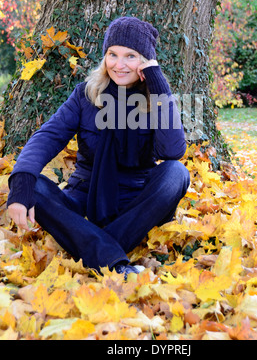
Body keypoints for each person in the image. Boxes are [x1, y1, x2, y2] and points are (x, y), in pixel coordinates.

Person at [7, 16, 190, 278]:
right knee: (30, 182)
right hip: (84, 196)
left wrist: (157, 83)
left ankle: (90, 245)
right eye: (112, 54)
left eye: (131, 56)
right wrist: (22, 181)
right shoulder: (86, 94)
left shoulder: (155, 99)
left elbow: (172, 151)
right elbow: (48, 136)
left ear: (146, 62)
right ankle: (114, 260)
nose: (119, 64)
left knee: (177, 173)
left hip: (137, 203)